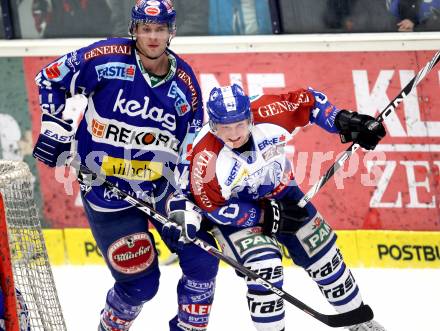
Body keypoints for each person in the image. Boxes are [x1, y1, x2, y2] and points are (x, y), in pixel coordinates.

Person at [31, 1, 219, 330]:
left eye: (160, 29)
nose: (153, 36)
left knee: (203, 260)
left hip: (160, 188)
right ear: (134, 29)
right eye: (146, 29)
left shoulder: (185, 85)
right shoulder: (103, 58)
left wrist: (185, 200)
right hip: (107, 191)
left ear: (171, 31)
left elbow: (190, 145)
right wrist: (56, 126)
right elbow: (50, 79)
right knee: (140, 285)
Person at [162, 84, 387, 331]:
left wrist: (345, 121)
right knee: (265, 270)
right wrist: (264, 216)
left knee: (325, 257)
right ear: (213, 126)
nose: (234, 134)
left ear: (250, 116)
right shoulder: (206, 158)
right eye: (225, 128)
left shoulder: (269, 110)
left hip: (283, 192)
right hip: (239, 211)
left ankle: (359, 321)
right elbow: (214, 208)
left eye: (240, 124)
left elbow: (311, 102)